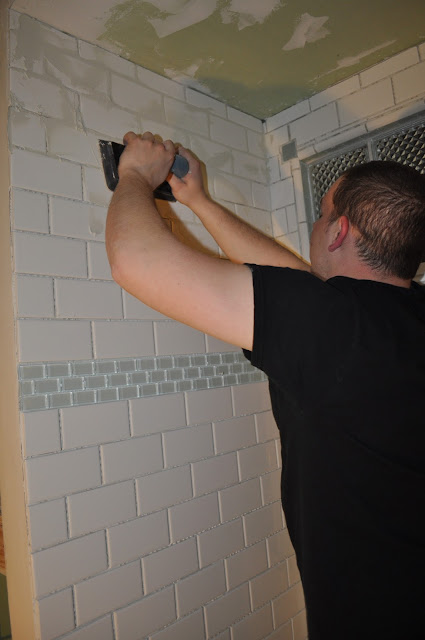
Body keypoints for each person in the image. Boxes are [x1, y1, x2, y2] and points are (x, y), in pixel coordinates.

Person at [106, 131, 425, 639]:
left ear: (339, 231)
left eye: (322, 215)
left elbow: (136, 261)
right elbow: (300, 286)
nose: (317, 226)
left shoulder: (336, 329)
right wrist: (199, 203)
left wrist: (133, 177)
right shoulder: (392, 320)